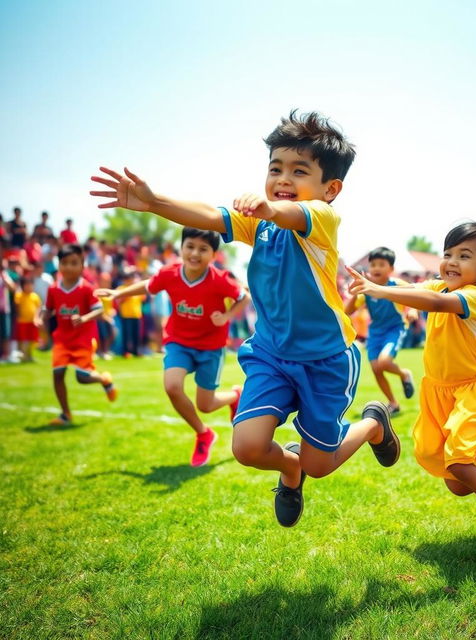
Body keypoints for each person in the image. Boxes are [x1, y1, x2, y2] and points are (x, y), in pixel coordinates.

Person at [90, 110, 401, 527]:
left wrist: (270, 208)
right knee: (248, 449)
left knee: (322, 464)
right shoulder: (261, 227)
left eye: (298, 171)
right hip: (272, 354)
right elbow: (208, 216)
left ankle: (372, 423)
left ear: (330, 188)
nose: (283, 179)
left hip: (326, 359)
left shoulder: (322, 219)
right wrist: (153, 203)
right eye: (275, 169)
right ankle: (289, 471)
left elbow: (290, 215)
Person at [348, 222, 476, 579]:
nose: (451, 261)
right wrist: (374, 287)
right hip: (438, 395)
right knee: (457, 483)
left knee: (459, 463)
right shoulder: (441, 284)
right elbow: (418, 288)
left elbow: (434, 301)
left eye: (463, 255)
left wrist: (379, 290)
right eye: (447, 254)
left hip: (472, 394)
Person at [97, 227, 251, 467]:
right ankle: (203, 433)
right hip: (179, 342)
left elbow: (245, 298)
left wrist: (227, 315)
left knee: (206, 405)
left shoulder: (220, 280)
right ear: (181, 248)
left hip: (211, 346)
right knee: (172, 386)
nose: (195, 253)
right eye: (190, 246)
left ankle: (235, 396)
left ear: (213, 255)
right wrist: (118, 293)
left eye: (203, 249)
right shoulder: (170, 274)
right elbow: (148, 286)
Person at [41, 244, 117, 425]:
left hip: (84, 339)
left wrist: (83, 318)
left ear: (82, 266)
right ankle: (65, 415)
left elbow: (99, 311)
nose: (68, 267)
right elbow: (48, 308)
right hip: (62, 339)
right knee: (57, 374)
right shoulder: (53, 289)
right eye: (64, 263)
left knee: (81, 377)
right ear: (59, 265)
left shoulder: (87, 288)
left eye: (74, 263)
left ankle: (104, 379)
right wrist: (42, 316)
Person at [344, 246, 415, 415]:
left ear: (391, 269)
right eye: (373, 264)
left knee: (384, 362)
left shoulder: (396, 284)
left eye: (381, 264)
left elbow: (414, 293)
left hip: (394, 329)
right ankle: (393, 403)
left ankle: (404, 374)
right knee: (376, 368)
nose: (376, 268)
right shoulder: (366, 289)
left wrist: (412, 310)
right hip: (375, 332)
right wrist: (356, 291)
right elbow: (347, 311)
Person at [14, 276, 41, 362]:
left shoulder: (35, 296)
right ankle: (23, 355)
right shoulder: (19, 295)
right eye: (26, 285)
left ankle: (29, 355)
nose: (29, 287)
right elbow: (17, 306)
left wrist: (37, 318)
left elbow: (38, 308)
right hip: (22, 322)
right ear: (22, 286)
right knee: (23, 340)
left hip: (32, 322)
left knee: (32, 340)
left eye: (30, 285)